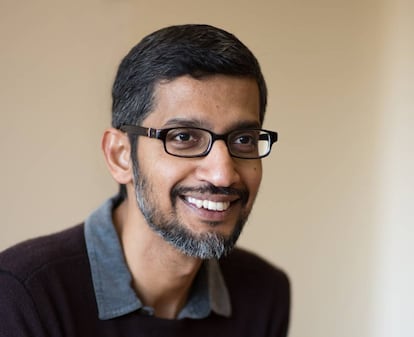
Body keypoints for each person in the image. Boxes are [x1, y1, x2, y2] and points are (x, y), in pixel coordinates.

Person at [0, 24, 290, 336]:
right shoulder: (23, 294)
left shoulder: (264, 294)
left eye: (244, 139)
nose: (223, 173)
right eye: (183, 137)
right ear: (120, 155)